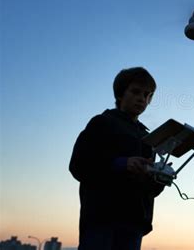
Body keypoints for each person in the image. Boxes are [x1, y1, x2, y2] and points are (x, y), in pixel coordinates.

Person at [69, 67, 165, 250]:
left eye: (147, 95)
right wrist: (122, 163)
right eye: (136, 92)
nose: (142, 99)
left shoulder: (148, 138)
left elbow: (152, 190)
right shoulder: (102, 123)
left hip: (135, 222)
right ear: (120, 94)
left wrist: (159, 176)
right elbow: (79, 164)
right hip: (102, 219)